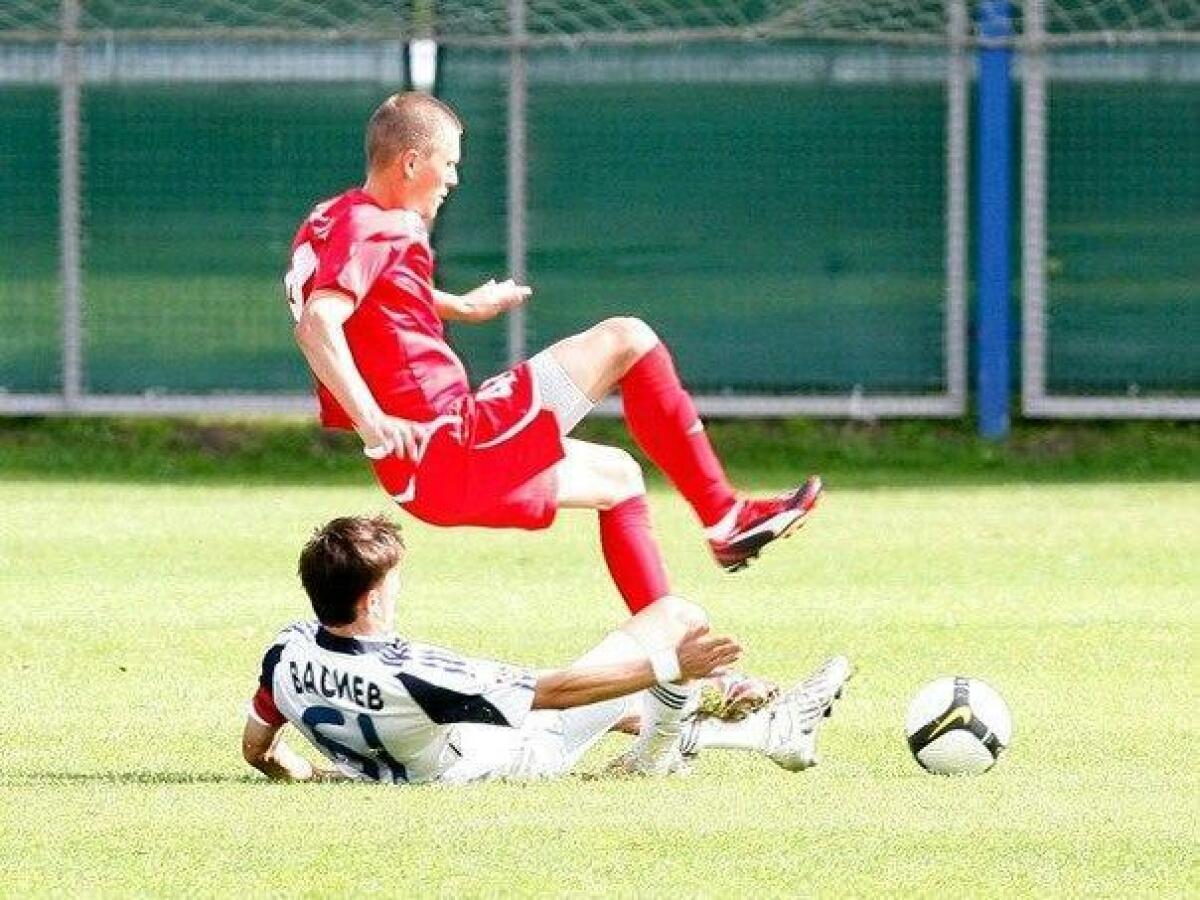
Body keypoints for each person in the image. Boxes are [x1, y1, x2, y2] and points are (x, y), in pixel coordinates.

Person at [285, 92, 822, 619]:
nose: (453, 179)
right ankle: (725, 516)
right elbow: (318, 323)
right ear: (410, 163)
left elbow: (368, 291)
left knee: (618, 478)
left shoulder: (331, 217)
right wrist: (373, 419)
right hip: (454, 441)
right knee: (628, 337)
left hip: (417, 477)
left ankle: (674, 656)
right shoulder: (381, 226)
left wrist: (460, 306)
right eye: (448, 164)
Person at [241, 516, 851, 784]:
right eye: (394, 580)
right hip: (515, 757)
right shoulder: (418, 674)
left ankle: (763, 731)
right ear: (372, 596)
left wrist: (316, 774)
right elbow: (554, 693)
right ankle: (655, 759)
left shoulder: (286, 652)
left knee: (628, 706)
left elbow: (258, 751)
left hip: (427, 751)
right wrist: (674, 666)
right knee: (677, 618)